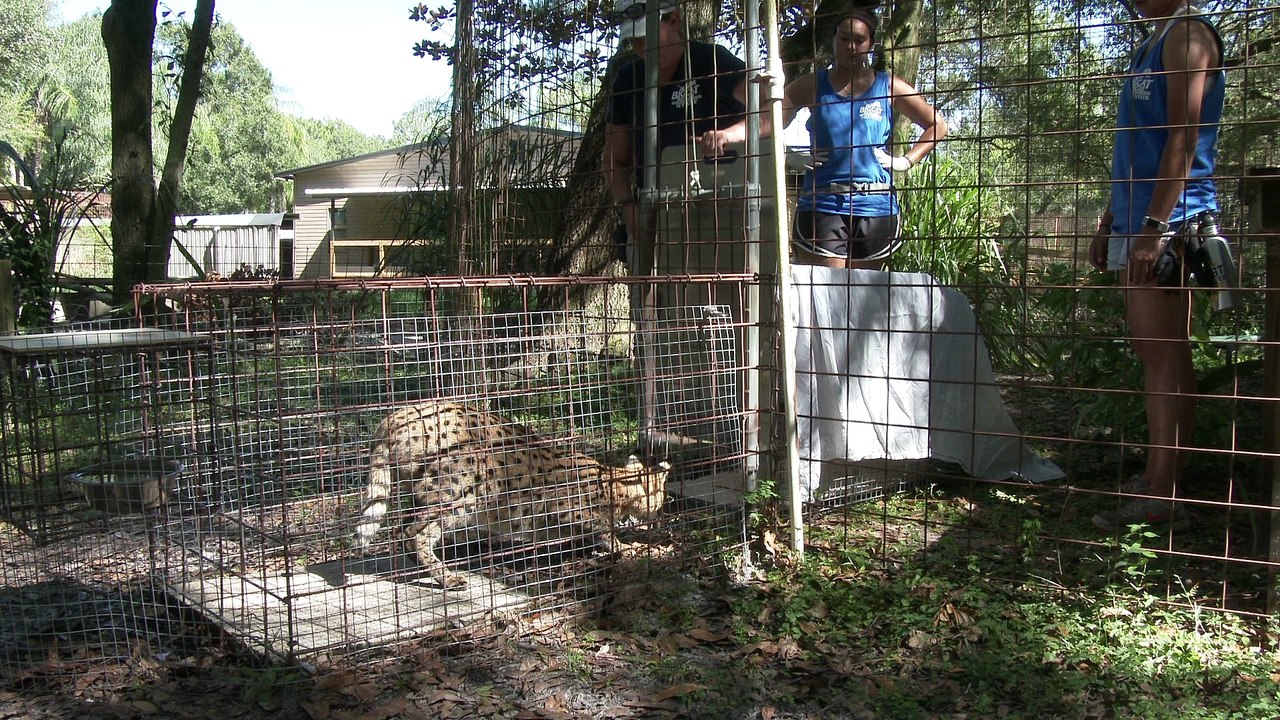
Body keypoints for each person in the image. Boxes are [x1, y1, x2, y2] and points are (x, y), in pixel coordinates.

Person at [1087, 0, 1225, 532]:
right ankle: (1156, 479)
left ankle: (1164, 496)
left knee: (1165, 357)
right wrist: (1110, 221)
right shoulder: (1153, 39)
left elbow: (1184, 137)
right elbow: (1136, 145)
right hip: (1134, 219)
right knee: (1155, 355)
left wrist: (1153, 228)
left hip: (1169, 223)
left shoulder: (1188, 35)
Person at [781, 4, 947, 269]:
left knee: (865, 294)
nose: (851, 46)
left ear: (870, 43)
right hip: (823, 204)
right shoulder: (813, 84)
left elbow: (937, 125)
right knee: (827, 293)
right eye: (844, 38)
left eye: (859, 40)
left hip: (876, 207)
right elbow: (769, 120)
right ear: (834, 40)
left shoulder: (888, 85)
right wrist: (787, 155)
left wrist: (905, 161)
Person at [603, 0, 761, 272]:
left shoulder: (714, 61)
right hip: (653, 215)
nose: (641, 47)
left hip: (714, 211)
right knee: (652, 307)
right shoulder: (626, 79)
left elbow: (774, 110)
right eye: (634, 40)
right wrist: (628, 209)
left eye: (646, 36)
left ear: (674, 21)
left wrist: (728, 134)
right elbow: (615, 158)